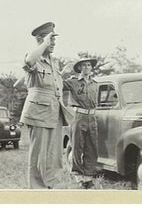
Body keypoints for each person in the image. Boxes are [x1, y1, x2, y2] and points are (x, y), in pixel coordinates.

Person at [20, 22, 73, 189]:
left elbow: (54, 85)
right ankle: (37, 189)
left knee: (53, 152)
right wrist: (44, 44)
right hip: (39, 112)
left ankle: (50, 185)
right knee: (38, 154)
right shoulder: (34, 57)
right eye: (51, 40)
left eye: (54, 40)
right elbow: (29, 61)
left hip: (54, 111)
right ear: (41, 40)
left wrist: (63, 72)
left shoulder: (53, 62)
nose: (54, 43)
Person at [62, 57, 98, 189]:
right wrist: (63, 71)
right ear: (79, 68)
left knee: (92, 146)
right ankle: (78, 174)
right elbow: (57, 84)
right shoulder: (73, 82)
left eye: (89, 65)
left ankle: (88, 176)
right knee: (77, 146)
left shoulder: (95, 84)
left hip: (92, 117)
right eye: (83, 65)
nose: (86, 67)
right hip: (78, 116)